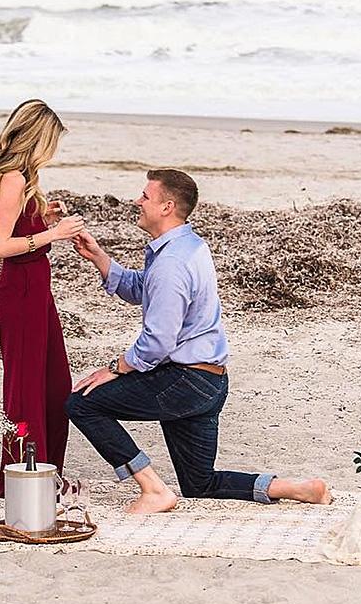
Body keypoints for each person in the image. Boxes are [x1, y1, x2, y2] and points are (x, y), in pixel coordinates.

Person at [67, 168, 331, 514]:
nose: (137, 201)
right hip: (210, 382)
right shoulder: (186, 247)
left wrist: (115, 368)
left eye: (145, 196)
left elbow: (158, 341)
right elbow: (140, 289)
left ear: (167, 206)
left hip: (184, 382)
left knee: (81, 403)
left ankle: (153, 490)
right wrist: (99, 257)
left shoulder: (172, 263)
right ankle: (298, 488)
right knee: (200, 484)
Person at [0, 99, 84, 496]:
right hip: (20, 290)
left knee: (55, 384)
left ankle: (46, 472)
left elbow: (19, 229)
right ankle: (22, 481)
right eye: (52, 142)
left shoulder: (26, 181)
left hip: (37, 289)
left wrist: (42, 218)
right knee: (25, 390)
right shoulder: (13, 178)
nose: (54, 151)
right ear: (39, 139)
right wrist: (52, 234)